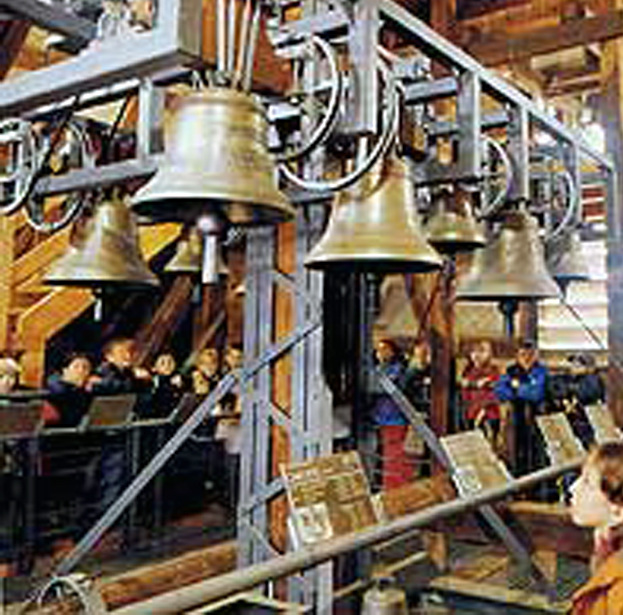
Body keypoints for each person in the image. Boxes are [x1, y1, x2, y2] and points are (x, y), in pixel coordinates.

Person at [570, 442, 623, 613]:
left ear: (618, 510)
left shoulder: (619, 590)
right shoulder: (607, 550)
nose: (572, 488)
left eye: (587, 483)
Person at [495, 341, 549, 475]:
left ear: (535, 356)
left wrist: (516, 387)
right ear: (517, 356)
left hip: (536, 419)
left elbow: (537, 394)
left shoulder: (541, 371)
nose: (526, 358)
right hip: (515, 419)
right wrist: (523, 390)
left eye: (530, 355)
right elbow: (500, 391)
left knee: (536, 454)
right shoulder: (511, 371)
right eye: (523, 355)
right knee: (516, 452)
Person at [372, 339, 413, 490]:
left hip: (394, 417)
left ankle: (393, 486)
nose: (380, 353)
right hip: (381, 417)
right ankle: (386, 483)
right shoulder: (378, 368)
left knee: (393, 454)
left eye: (384, 349)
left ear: (392, 352)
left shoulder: (397, 369)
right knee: (383, 454)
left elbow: (383, 386)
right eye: (378, 350)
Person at [460, 341, 501, 447]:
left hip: (488, 414)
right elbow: (465, 393)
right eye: (474, 352)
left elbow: (493, 394)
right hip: (471, 414)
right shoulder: (468, 371)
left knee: (487, 444)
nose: (477, 355)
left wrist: (483, 411)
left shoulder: (493, 371)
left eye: (481, 352)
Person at [45, 354, 95, 427]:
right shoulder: (55, 388)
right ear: (65, 370)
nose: (80, 371)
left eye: (85, 368)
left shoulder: (89, 389)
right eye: (76, 367)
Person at [150, 352, 185, 418]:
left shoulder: (180, 378)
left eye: (169, 362)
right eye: (163, 363)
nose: (167, 366)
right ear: (154, 368)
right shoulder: (153, 383)